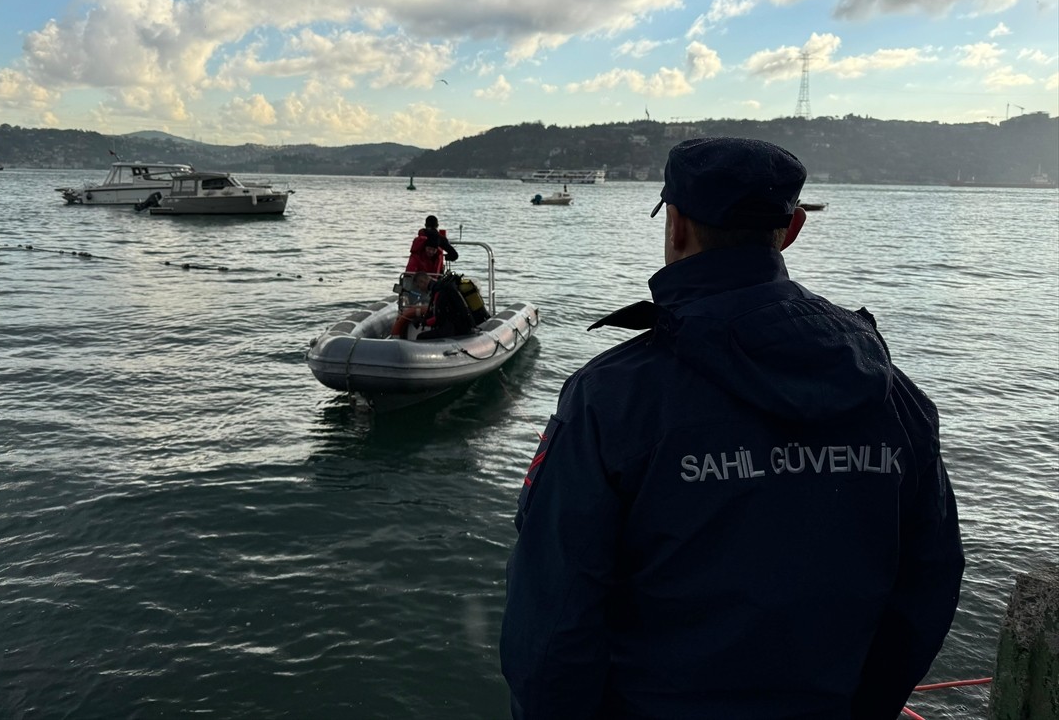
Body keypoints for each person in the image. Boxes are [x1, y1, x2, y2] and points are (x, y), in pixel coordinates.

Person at [499, 137, 964, 720]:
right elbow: (929, 586)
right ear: (791, 230)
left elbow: (552, 622)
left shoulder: (611, 398)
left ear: (676, 225)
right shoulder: (896, 397)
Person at [390, 271, 432, 339]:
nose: (419, 289)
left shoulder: (436, 291)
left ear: (422, 282)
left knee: (420, 337)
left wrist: (425, 322)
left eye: (418, 286)